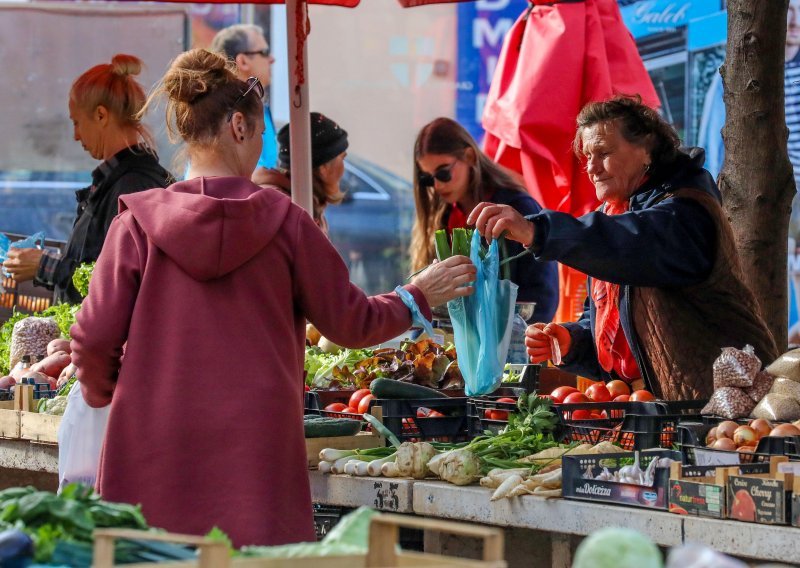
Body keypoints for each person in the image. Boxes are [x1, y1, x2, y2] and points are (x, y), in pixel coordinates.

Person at [69, 48, 476, 548]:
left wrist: (121, 395)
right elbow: (351, 323)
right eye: (261, 133)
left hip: (153, 452)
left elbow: (91, 338)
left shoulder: (135, 223)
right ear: (238, 126)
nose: (262, 143)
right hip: (256, 455)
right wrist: (416, 294)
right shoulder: (286, 223)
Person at [468, 95, 779, 401]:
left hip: (725, 400)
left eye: (602, 152)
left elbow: (629, 243)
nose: (591, 168)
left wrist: (537, 230)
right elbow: (609, 327)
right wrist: (571, 340)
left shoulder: (685, 211)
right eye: (586, 157)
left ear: (646, 150)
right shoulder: (614, 216)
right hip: (652, 407)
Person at [2, 54, 172, 304]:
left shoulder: (133, 188)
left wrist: (46, 266)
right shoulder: (120, 182)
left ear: (102, 116)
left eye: (77, 123)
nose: (75, 136)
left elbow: (119, 284)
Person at [409, 117, 559, 323]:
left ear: (470, 156)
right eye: (427, 178)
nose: (436, 185)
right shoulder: (441, 215)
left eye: (443, 173)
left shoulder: (516, 210)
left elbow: (543, 297)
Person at [251, 112, 348, 234]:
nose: (343, 168)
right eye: (342, 158)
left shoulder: (306, 202)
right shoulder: (284, 208)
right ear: (324, 167)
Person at [211, 23, 278, 171]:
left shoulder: (258, 106)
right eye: (265, 52)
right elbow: (255, 175)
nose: (272, 59)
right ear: (243, 61)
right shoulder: (221, 113)